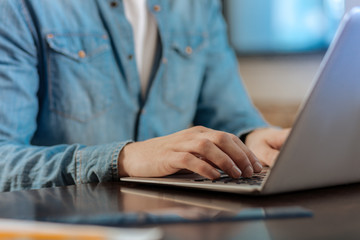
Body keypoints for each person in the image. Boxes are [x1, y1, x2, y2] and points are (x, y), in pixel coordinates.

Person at [0, 0, 289, 192]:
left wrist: (253, 139)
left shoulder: (198, 5)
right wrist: (124, 158)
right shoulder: (19, 7)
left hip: (174, 223)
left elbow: (230, 116)